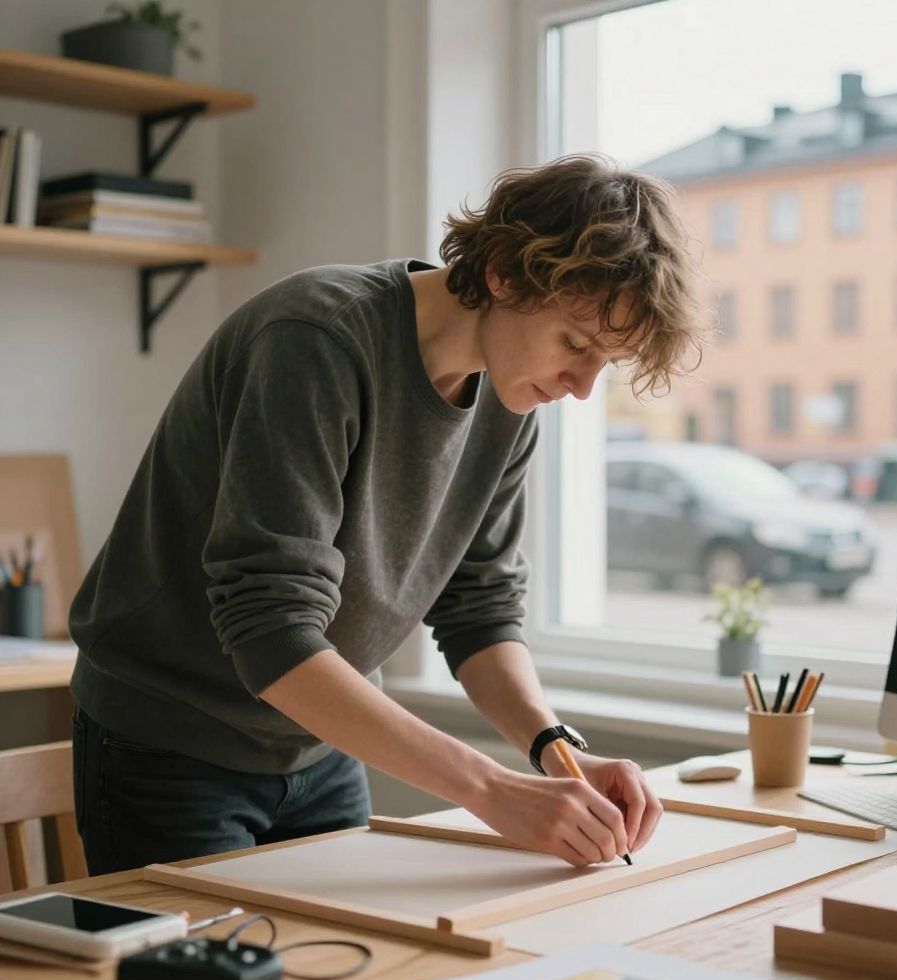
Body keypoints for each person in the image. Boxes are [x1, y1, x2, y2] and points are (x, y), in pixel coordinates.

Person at [68, 154, 703, 875]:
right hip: (170, 743)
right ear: (503, 272)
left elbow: (478, 609)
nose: (583, 387)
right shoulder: (316, 339)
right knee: (211, 958)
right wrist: (492, 790)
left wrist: (558, 751)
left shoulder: (511, 395)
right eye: (576, 345)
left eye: (606, 363)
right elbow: (270, 630)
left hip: (322, 744)